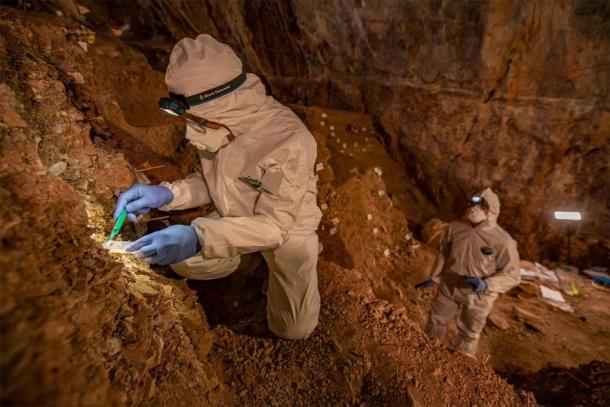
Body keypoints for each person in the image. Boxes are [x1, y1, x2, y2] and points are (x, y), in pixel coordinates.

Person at [113, 34, 322, 340]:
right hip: (232, 213)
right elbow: (211, 181)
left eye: (194, 118)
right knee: (184, 262)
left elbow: (275, 227)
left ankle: (274, 265)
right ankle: (242, 258)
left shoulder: (290, 141)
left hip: (285, 229)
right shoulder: (212, 122)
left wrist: (200, 236)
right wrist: (169, 195)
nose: (190, 127)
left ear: (219, 104)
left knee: (294, 328)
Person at [415, 188, 520, 358]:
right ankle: (428, 358)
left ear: (491, 210)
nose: (474, 207)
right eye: (473, 202)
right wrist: (435, 277)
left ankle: (461, 367)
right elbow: (444, 252)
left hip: (478, 295)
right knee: (436, 321)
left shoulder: (503, 240)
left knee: (469, 333)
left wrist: (487, 284)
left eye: (481, 205)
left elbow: (512, 274)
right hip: (449, 285)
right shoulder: (455, 227)